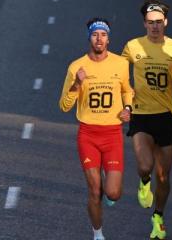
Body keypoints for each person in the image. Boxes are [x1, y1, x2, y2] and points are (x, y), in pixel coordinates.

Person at [121, 0, 172, 240]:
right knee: (145, 165)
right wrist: (125, 99)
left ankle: (158, 217)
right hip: (141, 114)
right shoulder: (133, 46)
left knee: (164, 176)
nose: (155, 27)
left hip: (165, 116)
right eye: (150, 23)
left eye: (159, 23)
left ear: (165, 23)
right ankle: (143, 181)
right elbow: (119, 73)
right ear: (144, 24)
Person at [59, 18, 134, 240]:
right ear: (89, 38)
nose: (99, 39)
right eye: (95, 35)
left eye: (103, 35)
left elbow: (127, 90)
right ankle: (98, 233)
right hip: (88, 134)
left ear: (109, 39)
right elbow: (64, 106)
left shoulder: (120, 64)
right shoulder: (76, 67)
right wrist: (76, 84)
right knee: (94, 190)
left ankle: (107, 188)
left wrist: (128, 108)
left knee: (113, 192)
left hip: (112, 135)